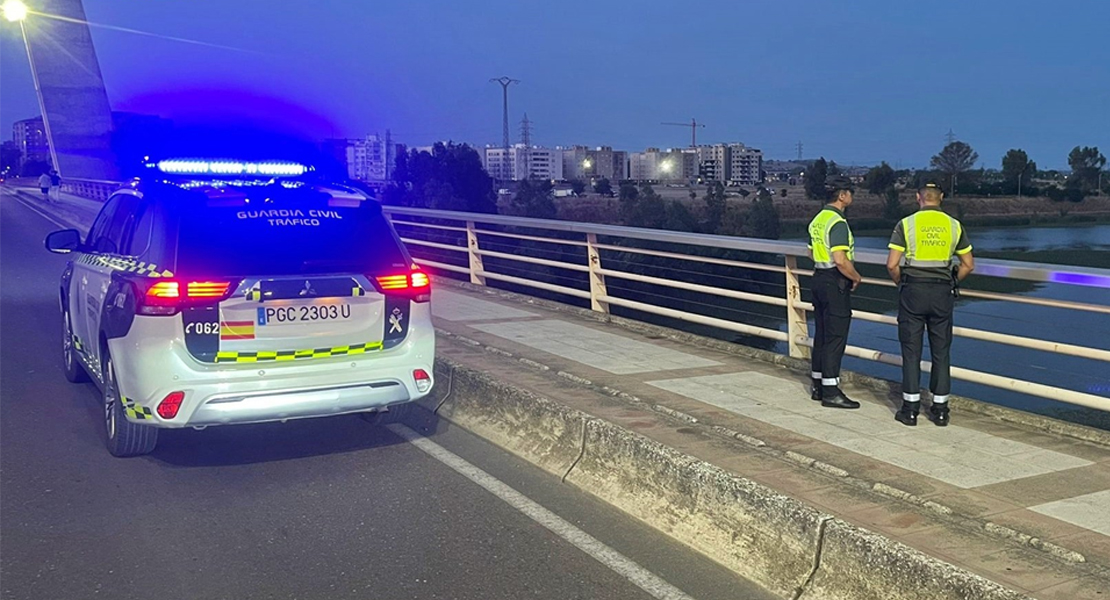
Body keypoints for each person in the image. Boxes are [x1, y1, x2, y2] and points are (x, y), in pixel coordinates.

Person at [886, 183, 974, 427]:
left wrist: (901, 284)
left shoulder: (906, 224)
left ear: (918, 198)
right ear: (941, 198)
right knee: (941, 351)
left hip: (913, 290)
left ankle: (910, 409)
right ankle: (941, 409)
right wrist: (952, 279)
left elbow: (892, 265)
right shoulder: (954, 226)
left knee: (911, 351)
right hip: (942, 292)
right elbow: (968, 264)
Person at [807, 175, 863, 409]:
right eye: (850, 192)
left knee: (821, 333)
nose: (852, 196)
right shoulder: (838, 223)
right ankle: (831, 391)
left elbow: (811, 252)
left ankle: (818, 385)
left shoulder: (818, 219)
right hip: (834, 281)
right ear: (842, 196)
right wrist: (856, 276)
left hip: (818, 279)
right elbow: (840, 260)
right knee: (836, 336)